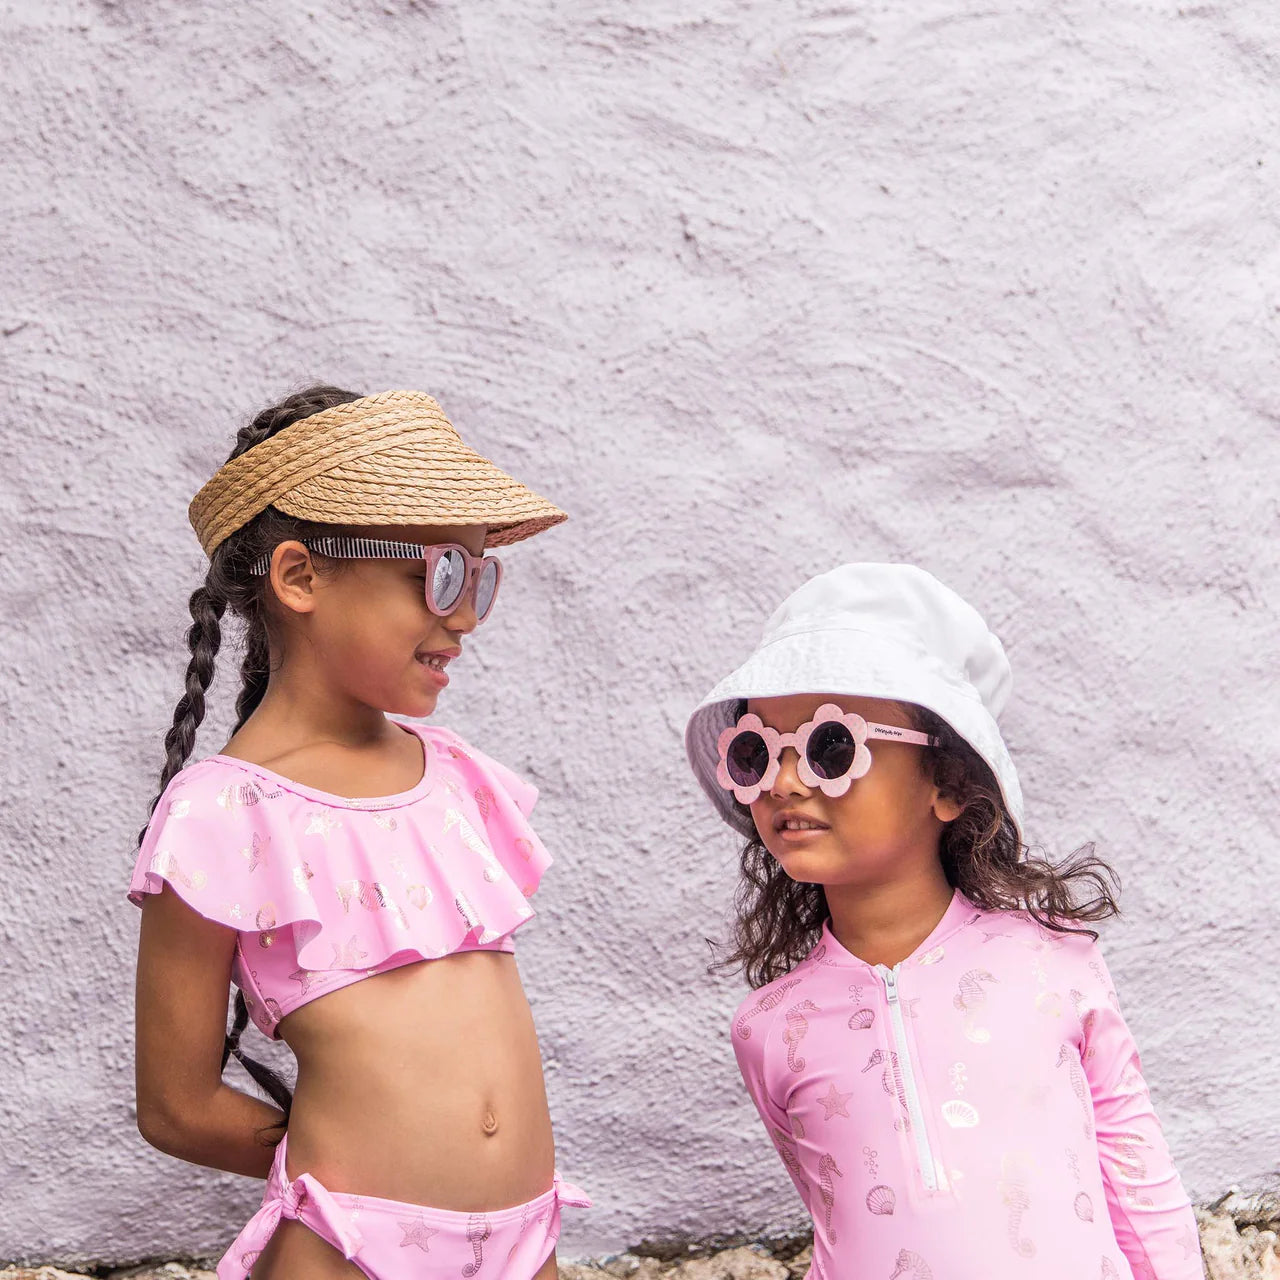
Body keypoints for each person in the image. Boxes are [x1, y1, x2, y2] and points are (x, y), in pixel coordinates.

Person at [129, 386, 588, 1280]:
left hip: (527, 1243)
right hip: (347, 1252)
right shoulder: (222, 815)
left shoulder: (455, 777)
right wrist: (361, 1165)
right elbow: (175, 1106)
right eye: (440, 576)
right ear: (300, 576)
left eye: (480, 578)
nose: (464, 617)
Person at [684, 562, 1203, 1280]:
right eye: (756, 751)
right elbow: (834, 1223)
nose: (787, 779)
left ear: (951, 783)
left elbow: (1142, 1186)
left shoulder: (1051, 962)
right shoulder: (770, 1027)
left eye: (831, 746)